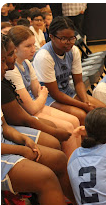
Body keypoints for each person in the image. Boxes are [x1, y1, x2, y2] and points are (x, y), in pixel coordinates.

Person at [1, 39, 82, 205]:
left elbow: (5, 128)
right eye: (2, 60)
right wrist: (21, 150)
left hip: (6, 141)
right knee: (45, 177)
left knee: (58, 158)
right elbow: (26, 115)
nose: (6, 66)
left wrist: (22, 139)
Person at [5, 28, 81, 158]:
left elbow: (37, 94)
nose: (33, 49)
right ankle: (70, 169)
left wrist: (40, 97)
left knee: (74, 120)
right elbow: (32, 106)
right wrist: (42, 96)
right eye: (28, 46)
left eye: (33, 44)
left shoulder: (27, 63)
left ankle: (77, 162)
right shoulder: (12, 71)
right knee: (68, 127)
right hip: (26, 112)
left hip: (35, 105)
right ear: (15, 49)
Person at [33, 16, 105, 125]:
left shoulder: (74, 51)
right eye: (63, 38)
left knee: (102, 110)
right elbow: (55, 93)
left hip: (67, 91)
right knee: (81, 115)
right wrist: (83, 105)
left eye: (72, 38)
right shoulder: (44, 56)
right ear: (51, 37)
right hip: (48, 98)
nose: (69, 42)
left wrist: (86, 101)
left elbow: (79, 82)